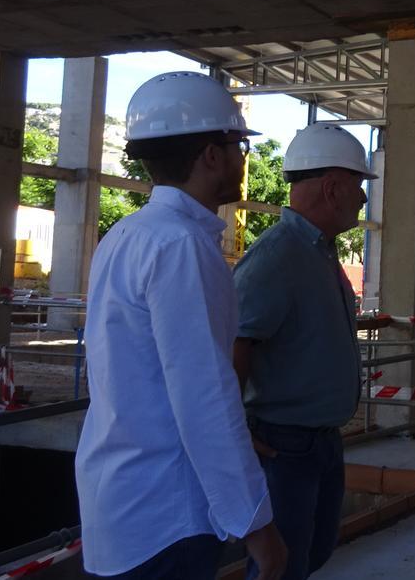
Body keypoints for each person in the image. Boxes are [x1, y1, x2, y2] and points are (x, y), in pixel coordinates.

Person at [75, 71, 287, 579]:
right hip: (167, 515)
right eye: (237, 143)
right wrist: (259, 528)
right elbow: (204, 396)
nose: (243, 158)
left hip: (121, 500)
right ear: (211, 155)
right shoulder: (182, 247)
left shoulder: (127, 235)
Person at [232, 122, 396, 580]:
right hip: (284, 444)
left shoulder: (319, 252)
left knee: (314, 551)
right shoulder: (277, 257)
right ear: (333, 187)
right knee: (280, 564)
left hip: (318, 441)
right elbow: (235, 340)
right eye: (359, 187)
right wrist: (236, 429)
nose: (363, 199)